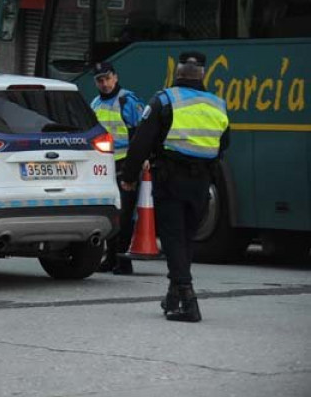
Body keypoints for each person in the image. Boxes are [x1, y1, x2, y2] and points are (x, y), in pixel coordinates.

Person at [121, 52, 229, 323]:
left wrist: (129, 176)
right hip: (203, 182)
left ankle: (188, 297)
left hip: (170, 180)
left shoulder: (165, 99)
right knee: (185, 239)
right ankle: (173, 296)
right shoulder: (218, 104)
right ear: (202, 76)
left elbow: (141, 142)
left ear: (177, 75)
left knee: (172, 239)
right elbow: (224, 144)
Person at [90, 61, 144, 275]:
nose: (105, 84)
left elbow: (139, 135)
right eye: (100, 80)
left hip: (125, 164)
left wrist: (137, 162)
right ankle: (111, 257)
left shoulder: (127, 101)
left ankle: (123, 260)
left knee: (124, 214)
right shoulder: (95, 104)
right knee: (110, 212)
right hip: (104, 165)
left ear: (116, 77)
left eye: (107, 78)